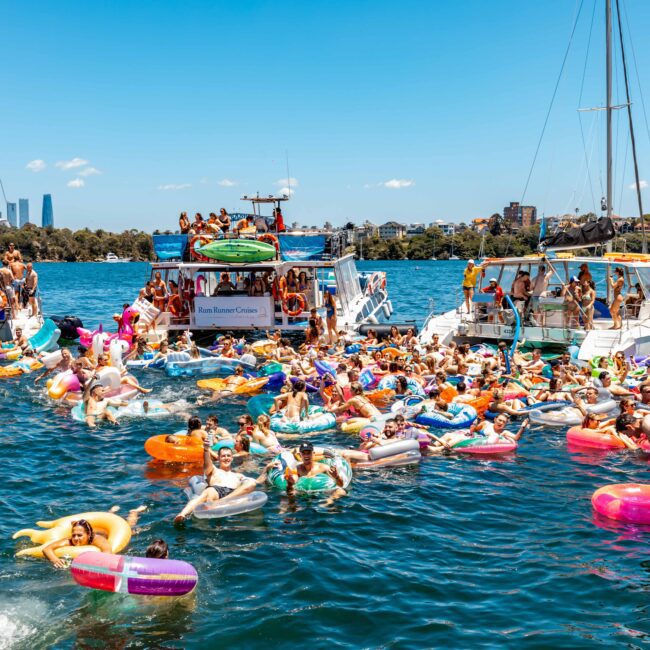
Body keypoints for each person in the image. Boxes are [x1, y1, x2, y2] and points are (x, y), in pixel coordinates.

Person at [174, 440, 271, 524]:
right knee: (208, 492)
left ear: (232, 458)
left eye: (228, 455)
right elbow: (207, 465)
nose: (226, 458)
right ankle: (182, 515)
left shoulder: (238, 475)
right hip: (217, 491)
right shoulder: (214, 470)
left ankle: (221, 502)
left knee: (251, 483)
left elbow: (256, 482)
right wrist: (206, 450)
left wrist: (267, 468)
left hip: (234, 494)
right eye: (223, 456)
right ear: (219, 458)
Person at [42, 506, 146, 568]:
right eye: (74, 535)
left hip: (105, 533)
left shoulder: (97, 539)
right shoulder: (70, 541)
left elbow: (107, 552)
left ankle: (134, 512)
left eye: (79, 535)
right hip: (96, 530)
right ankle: (111, 511)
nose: (76, 538)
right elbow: (47, 549)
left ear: (88, 535)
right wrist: (55, 560)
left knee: (130, 528)